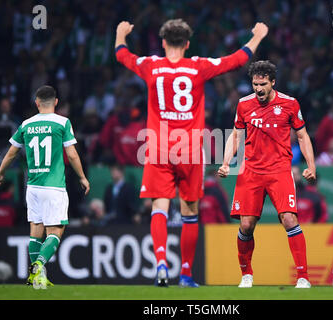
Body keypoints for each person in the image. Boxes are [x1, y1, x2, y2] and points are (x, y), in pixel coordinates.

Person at [115, 19, 268, 287]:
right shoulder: (198, 66)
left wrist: (120, 33)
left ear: (163, 42)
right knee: (190, 212)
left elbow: (121, 54)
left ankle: (161, 263)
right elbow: (236, 60)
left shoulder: (151, 65)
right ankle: (185, 274)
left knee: (159, 208)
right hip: (189, 151)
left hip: (159, 149)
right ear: (187, 44)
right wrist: (257, 36)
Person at [218, 60, 316, 289]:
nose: (258, 89)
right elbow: (235, 135)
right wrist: (225, 163)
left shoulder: (290, 104)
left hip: (279, 170)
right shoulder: (243, 105)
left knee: (290, 219)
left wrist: (311, 166)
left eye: (263, 84)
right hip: (250, 170)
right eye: (255, 84)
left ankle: (303, 277)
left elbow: (302, 136)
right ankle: (246, 275)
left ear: (273, 82)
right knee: (246, 225)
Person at [0, 85, 90, 289]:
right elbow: (71, 154)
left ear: (36, 103)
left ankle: (37, 280)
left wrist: (0, 173)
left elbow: (11, 153)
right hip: (54, 187)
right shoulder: (63, 122)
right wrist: (82, 177)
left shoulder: (26, 124)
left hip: (33, 186)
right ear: (55, 102)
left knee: (35, 231)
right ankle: (38, 265)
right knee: (56, 231)